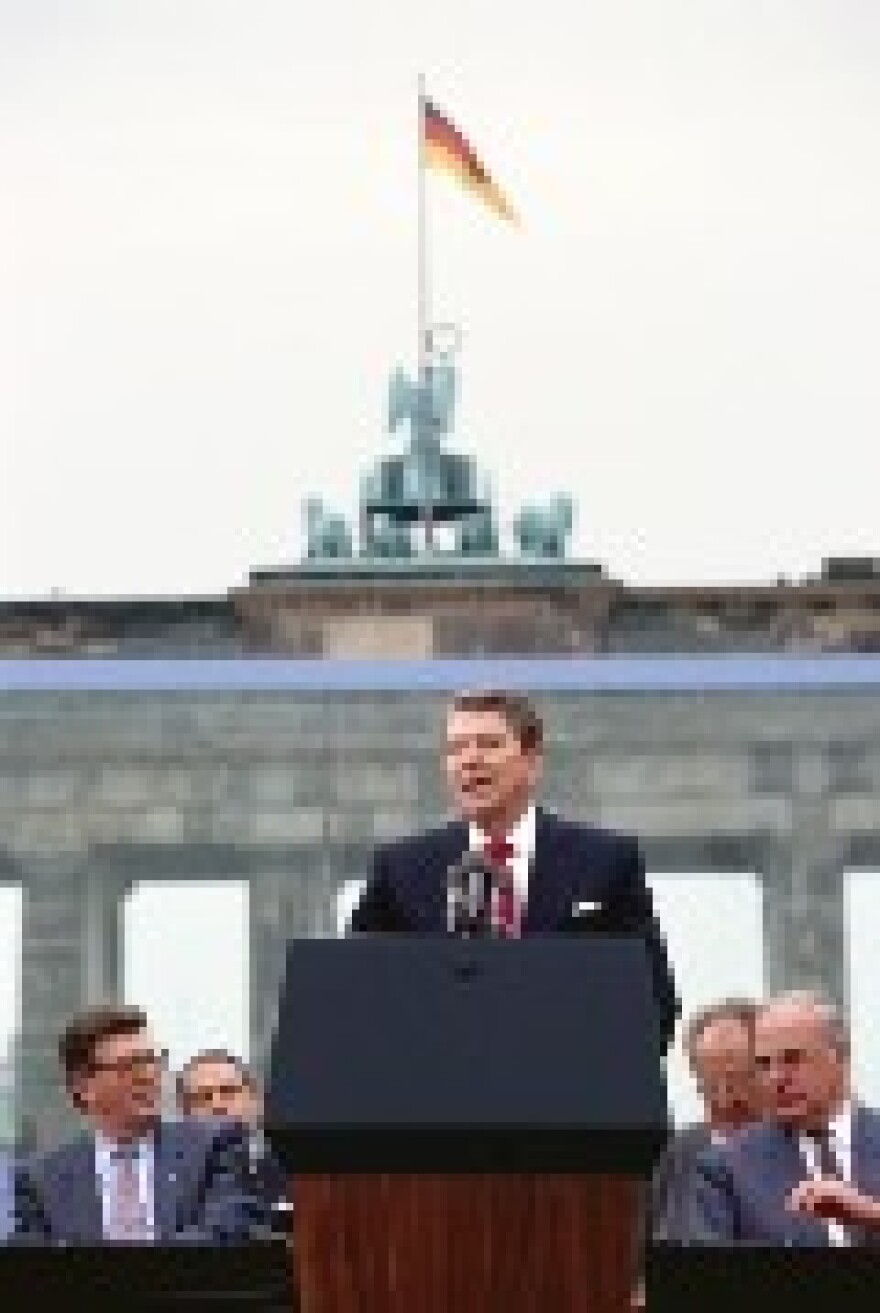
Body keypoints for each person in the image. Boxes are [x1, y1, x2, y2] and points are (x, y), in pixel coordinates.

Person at [351, 688, 678, 1046]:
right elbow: (359, 998)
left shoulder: (605, 861)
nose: (469, 760)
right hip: (439, 1090)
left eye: (488, 744)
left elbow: (654, 1003)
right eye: (456, 748)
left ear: (532, 762)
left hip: (563, 1087)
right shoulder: (402, 869)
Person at [13, 1004, 264, 1244]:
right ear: (84, 1086)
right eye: (130, 1066)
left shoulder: (214, 1147)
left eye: (153, 1060)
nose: (148, 1076)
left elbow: (224, 1234)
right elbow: (32, 1271)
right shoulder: (42, 1179)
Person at [692, 989, 880, 1245]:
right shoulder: (727, 1169)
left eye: (792, 1060)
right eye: (764, 1064)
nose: (776, 1078)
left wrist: (869, 1214)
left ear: (841, 1058)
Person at [176, 1049, 289, 1224]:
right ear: (185, 1114)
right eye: (203, 1098)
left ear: (256, 1101)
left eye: (229, 1092)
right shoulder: (172, 1184)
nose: (217, 1105)